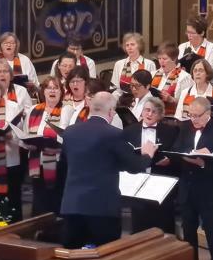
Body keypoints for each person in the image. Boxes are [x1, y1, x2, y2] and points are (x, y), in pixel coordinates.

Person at [59, 92, 156, 248]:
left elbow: (65, 163)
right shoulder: (114, 134)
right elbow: (133, 166)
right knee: (106, 259)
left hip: (73, 205)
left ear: (91, 108)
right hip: (102, 208)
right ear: (111, 111)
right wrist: (147, 155)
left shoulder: (70, 132)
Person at [170, 97, 213, 260]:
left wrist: (204, 163)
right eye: (190, 115)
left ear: (208, 114)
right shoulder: (186, 127)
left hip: (210, 190)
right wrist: (187, 156)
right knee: (188, 234)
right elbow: (176, 149)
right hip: (188, 188)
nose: (193, 119)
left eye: (197, 116)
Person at [123, 98, 180, 233]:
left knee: (164, 223)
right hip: (137, 181)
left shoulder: (171, 131)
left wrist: (169, 160)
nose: (149, 114)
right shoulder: (129, 131)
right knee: (139, 222)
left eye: (154, 112)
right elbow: (125, 157)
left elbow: (176, 154)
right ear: (141, 112)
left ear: (160, 115)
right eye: (147, 110)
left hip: (161, 181)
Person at [24, 76, 66, 215]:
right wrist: (26, 145)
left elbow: (69, 137)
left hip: (58, 164)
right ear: (43, 91)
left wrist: (57, 146)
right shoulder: (34, 109)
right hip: (37, 164)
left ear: (61, 92)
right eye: (49, 87)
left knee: (55, 202)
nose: (52, 90)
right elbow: (25, 134)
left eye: (56, 87)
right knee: (39, 203)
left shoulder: (67, 110)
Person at [0, 76, 23, 221]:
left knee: (13, 200)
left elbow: (22, 138)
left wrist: (10, 136)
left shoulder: (13, 107)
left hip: (11, 161)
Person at [151, 41, 194, 117]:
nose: (161, 61)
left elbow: (187, 103)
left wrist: (171, 99)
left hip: (171, 118)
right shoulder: (153, 74)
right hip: (152, 115)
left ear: (174, 59)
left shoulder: (184, 77)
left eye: (164, 58)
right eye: (159, 58)